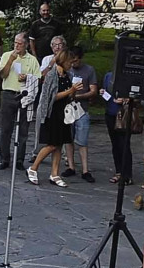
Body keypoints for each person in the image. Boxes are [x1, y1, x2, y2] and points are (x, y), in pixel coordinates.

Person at [27, 49, 76, 187]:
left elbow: (67, 95)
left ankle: (55, 173)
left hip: (63, 114)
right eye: (69, 63)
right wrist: (69, 91)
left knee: (59, 144)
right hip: (51, 113)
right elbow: (51, 97)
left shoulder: (67, 75)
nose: (71, 65)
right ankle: (33, 168)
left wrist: (73, 92)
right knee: (51, 144)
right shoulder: (51, 75)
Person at [0, 32, 39, 170]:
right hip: (8, 94)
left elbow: (38, 78)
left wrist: (27, 77)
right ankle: (4, 158)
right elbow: (2, 75)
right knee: (6, 128)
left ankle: (19, 159)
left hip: (24, 95)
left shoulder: (32, 60)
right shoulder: (6, 55)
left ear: (26, 44)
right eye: (15, 42)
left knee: (23, 129)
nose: (17, 46)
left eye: (20, 43)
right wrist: (11, 59)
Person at [61, 45, 98, 183]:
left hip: (82, 109)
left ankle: (85, 169)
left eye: (76, 60)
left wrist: (79, 95)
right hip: (68, 109)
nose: (73, 63)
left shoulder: (89, 70)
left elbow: (93, 90)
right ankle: (71, 166)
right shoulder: (67, 69)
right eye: (72, 60)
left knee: (82, 141)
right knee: (68, 139)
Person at [101, 69, 133, 185]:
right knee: (115, 144)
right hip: (110, 113)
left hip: (124, 114)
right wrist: (105, 95)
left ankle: (127, 174)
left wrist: (126, 100)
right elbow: (104, 92)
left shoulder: (129, 77)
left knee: (124, 144)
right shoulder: (108, 76)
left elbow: (135, 95)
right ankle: (119, 171)